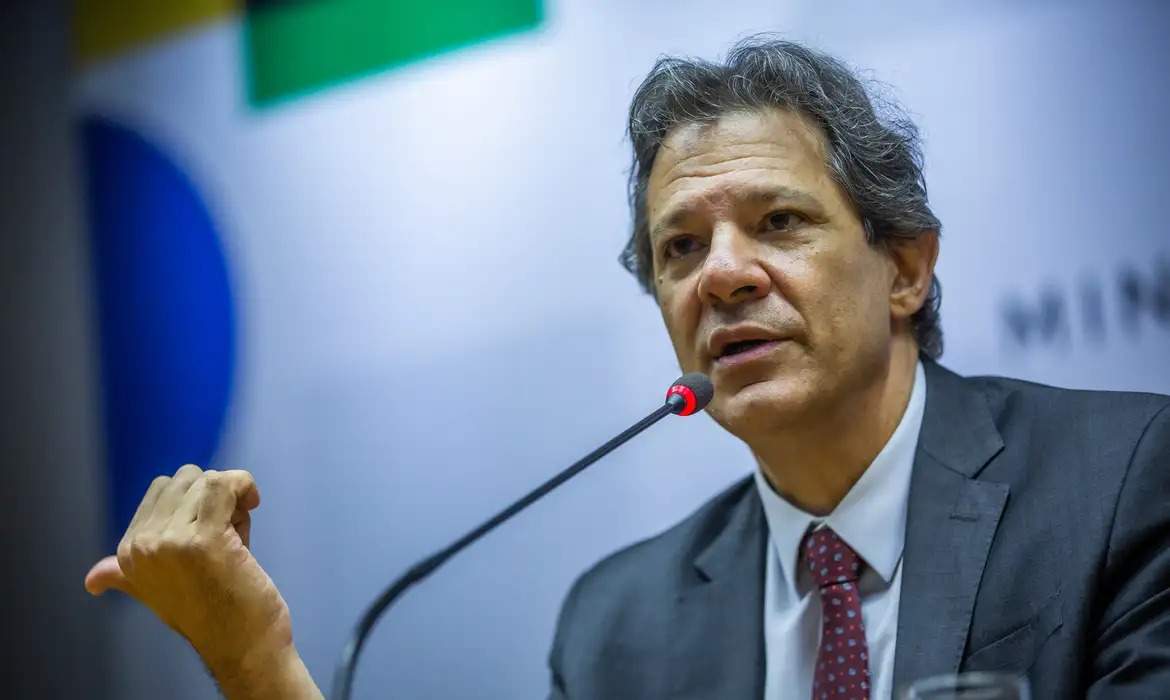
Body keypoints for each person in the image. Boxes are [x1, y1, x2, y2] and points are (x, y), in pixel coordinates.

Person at [85, 38, 1170, 699]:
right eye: (680, 248)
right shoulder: (620, 629)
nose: (723, 275)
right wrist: (255, 662)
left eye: (778, 222)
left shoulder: (1123, 483)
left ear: (907, 269)